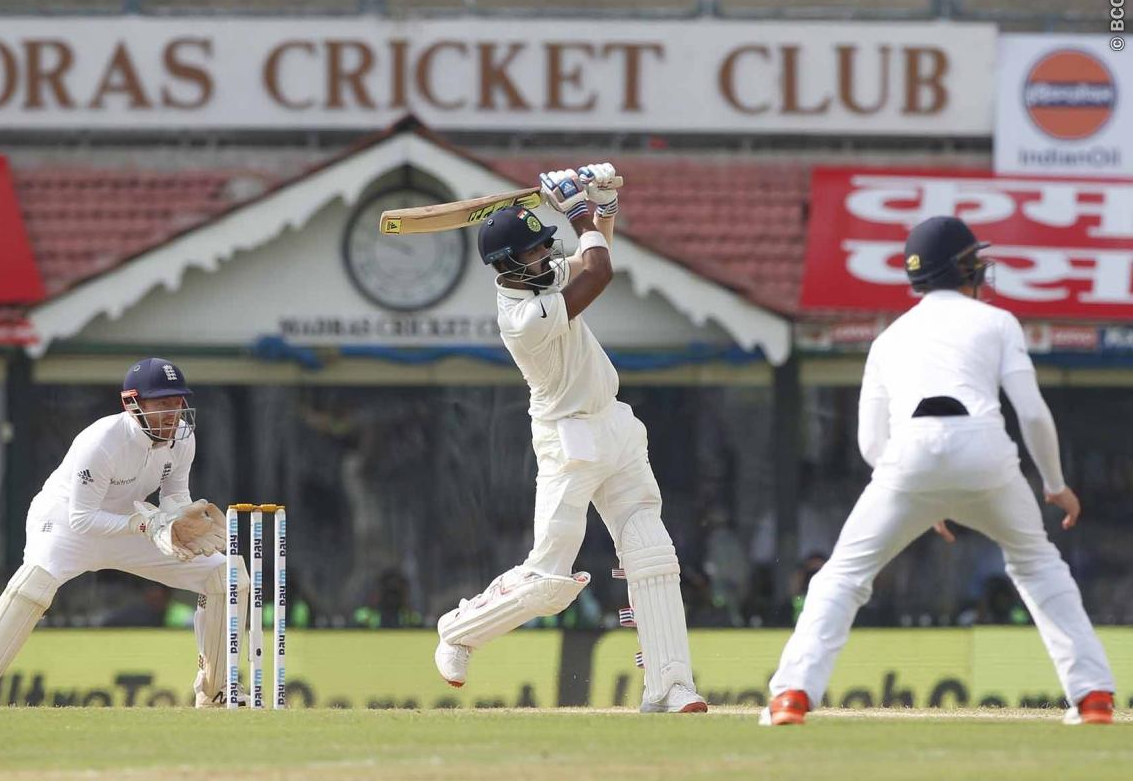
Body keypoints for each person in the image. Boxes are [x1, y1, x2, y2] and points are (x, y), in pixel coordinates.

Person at [761, 216, 1115, 726]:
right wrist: (1055, 485)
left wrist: (917, 496)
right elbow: (1033, 414)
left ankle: (792, 695)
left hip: (908, 454)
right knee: (1038, 564)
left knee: (841, 576)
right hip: (986, 450)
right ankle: (1093, 696)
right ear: (966, 268)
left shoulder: (888, 339)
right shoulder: (997, 323)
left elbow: (869, 443)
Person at [433, 164, 706, 714]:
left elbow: (591, 253)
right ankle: (459, 630)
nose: (547, 258)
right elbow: (598, 274)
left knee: (652, 553)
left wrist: (600, 207)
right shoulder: (522, 317)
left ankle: (669, 687)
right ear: (509, 265)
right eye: (534, 253)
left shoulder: (541, 277)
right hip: (568, 439)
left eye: (544, 248)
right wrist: (575, 208)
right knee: (548, 579)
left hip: (616, 426)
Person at [0, 358, 242, 708]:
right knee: (34, 583)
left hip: (133, 523)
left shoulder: (181, 439)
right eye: (162, 403)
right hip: (66, 523)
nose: (173, 412)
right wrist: (145, 524)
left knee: (226, 575)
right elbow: (82, 519)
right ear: (132, 404)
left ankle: (215, 692)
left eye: (177, 401)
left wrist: (177, 522)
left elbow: (174, 496)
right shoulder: (102, 441)